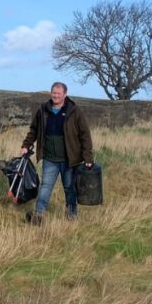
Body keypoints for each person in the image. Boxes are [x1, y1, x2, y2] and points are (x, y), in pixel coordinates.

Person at [20, 82, 93, 225]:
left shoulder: (74, 110)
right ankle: (38, 216)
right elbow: (34, 129)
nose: (55, 95)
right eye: (53, 92)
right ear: (50, 93)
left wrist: (88, 158)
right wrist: (26, 145)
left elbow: (85, 135)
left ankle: (72, 215)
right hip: (50, 159)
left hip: (69, 159)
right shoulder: (43, 110)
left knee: (69, 188)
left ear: (64, 94)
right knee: (45, 187)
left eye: (59, 93)